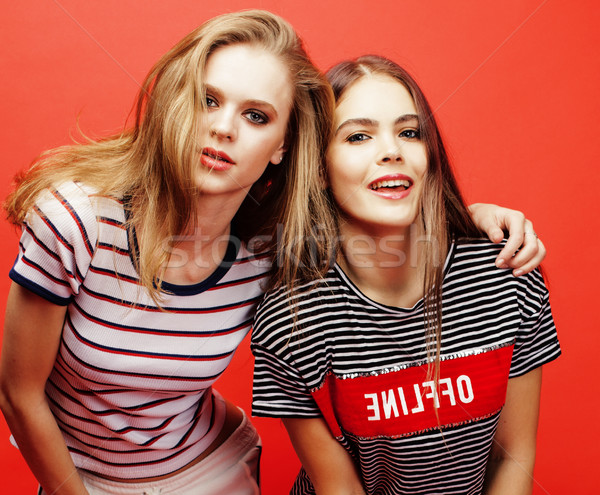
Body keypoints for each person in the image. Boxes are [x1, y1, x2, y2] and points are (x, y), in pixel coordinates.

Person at [0, 9, 544, 494]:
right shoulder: (76, 221)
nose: (222, 127)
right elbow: (17, 391)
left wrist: (475, 220)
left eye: (256, 116)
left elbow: (381, 226)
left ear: (283, 145)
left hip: (210, 467)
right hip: (81, 474)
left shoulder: (264, 254)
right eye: (207, 100)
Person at [251, 55, 560, 495]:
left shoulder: (508, 274)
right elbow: (337, 486)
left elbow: (514, 456)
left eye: (409, 132)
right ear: (319, 168)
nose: (391, 149)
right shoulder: (293, 318)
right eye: (358, 136)